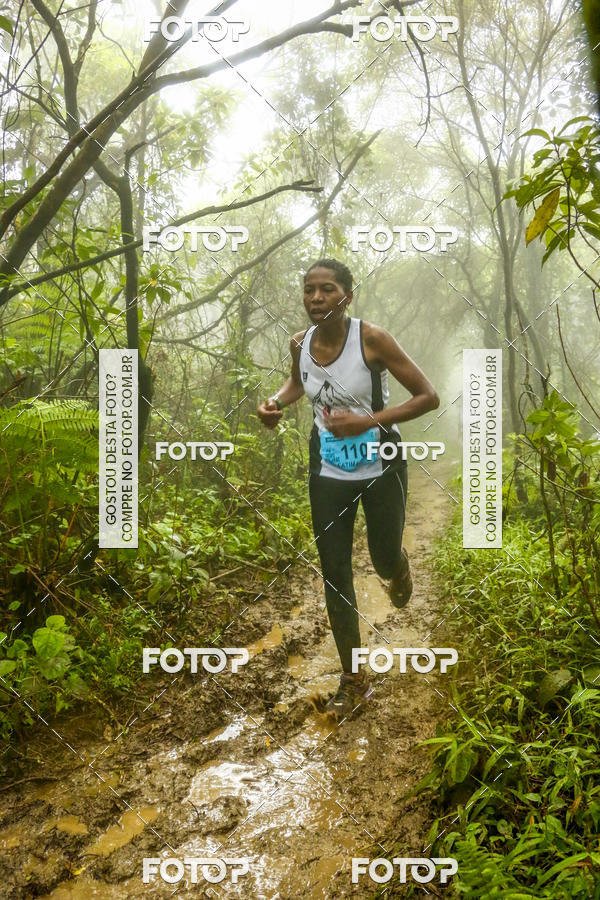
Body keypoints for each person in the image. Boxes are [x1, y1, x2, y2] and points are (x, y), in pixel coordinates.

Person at [257, 259, 439, 718]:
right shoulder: (299, 342)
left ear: (347, 297)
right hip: (328, 472)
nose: (316, 297)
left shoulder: (371, 339)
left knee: (380, 556)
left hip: (382, 466)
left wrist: (367, 420)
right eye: (309, 290)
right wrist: (275, 403)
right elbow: (299, 382)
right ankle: (353, 679)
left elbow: (427, 396)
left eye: (327, 289)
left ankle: (397, 568)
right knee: (334, 571)